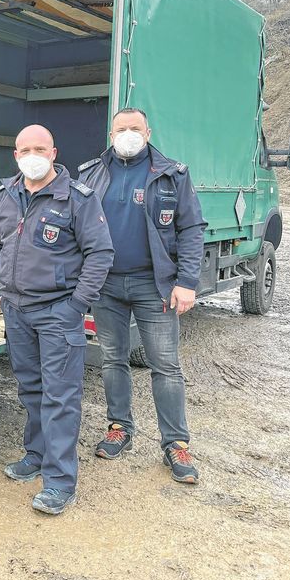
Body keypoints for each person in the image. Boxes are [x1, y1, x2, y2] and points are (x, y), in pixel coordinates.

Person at [0, 124, 114, 515]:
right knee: (32, 390)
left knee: (61, 397)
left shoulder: (77, 199)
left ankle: (59, 483)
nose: (33, 156)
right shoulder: (6, 194)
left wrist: (76, 306)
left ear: (54, 153)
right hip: (17, 312)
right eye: (25, 149)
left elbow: (101, 254)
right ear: (16, 155)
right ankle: (36, 456)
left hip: (58, 313)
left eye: (40, 148)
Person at [77, 108, 206, 484]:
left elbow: (192, 229)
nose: (128, 134)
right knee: (113, 359)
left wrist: (187, 281)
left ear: (148, 132)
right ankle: (120, 428)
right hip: (106, 286)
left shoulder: (171, 174)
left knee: (165, 365)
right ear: (111, 132)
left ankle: (176, 444)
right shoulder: (92, 173)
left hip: (156, 285)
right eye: (122, 129)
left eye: (135, 128)